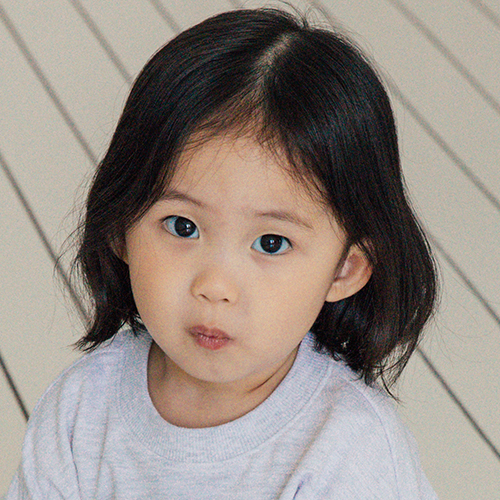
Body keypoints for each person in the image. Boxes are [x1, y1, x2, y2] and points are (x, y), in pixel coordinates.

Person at [7, 7, 439, 499]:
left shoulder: (350, 451)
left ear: (345, 268)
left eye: (271, 243)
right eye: (183, 226)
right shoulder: (81, 409)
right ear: (121, 227)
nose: (215, 286)